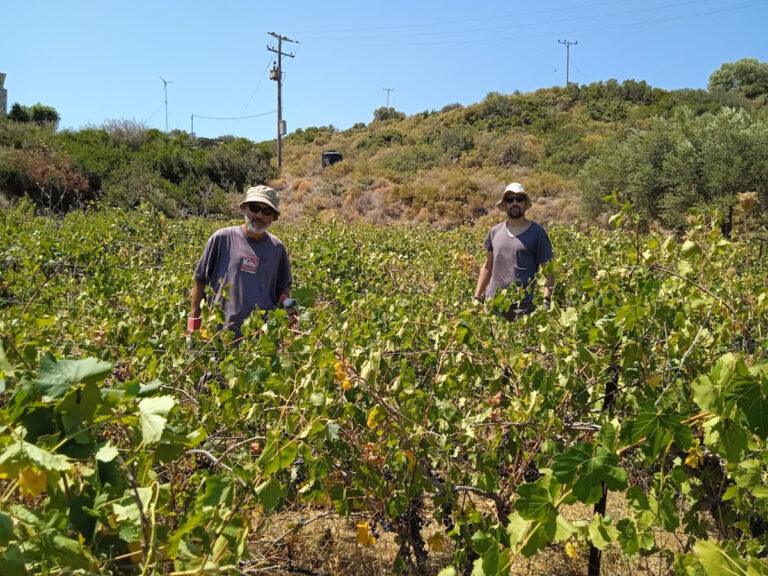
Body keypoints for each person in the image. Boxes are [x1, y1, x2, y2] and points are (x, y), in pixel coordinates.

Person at [188, 185, 292, 336]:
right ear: (244, 209)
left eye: (266, 211)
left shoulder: (277, 248)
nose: (259, 215)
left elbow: (282, 290)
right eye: (254, 207)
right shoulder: (221, 238)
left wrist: (288, 305)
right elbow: (200, 281)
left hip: (260, 341)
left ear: (273, 217)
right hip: (217, 336)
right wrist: (193, 325)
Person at [473, 182, 553, 319]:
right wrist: (477, 297)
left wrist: (546, 300)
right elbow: (487, 266)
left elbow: (548, 270)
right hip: (493, 305)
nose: (514, 203)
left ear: (525, 204)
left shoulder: (538, 233)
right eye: (510, 199)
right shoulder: (494, 232)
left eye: (519, 199)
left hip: (522, 307)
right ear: (504, 205)